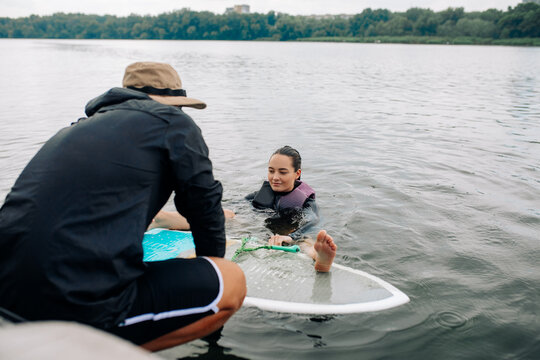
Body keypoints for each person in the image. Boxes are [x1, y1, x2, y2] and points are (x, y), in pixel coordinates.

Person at [0, 62, 246, 351]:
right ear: (170, 104)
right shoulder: (173, 123)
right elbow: (206, 210)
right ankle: (101, 352)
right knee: (231, 280)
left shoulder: (73, 130)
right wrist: (210, 266)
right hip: (74, 303)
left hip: (7, 286)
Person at [246, 146, 337, 273]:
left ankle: (318, 256)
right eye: (271, 171)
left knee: (304, 240)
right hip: (266, 230)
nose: (275, 177)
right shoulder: (259, 195)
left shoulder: (305, 201)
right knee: (234, 218)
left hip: (292, 231)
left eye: (282, 172)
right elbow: (238, 206)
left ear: (297, 174)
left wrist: (291, 237)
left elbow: (313, 221)